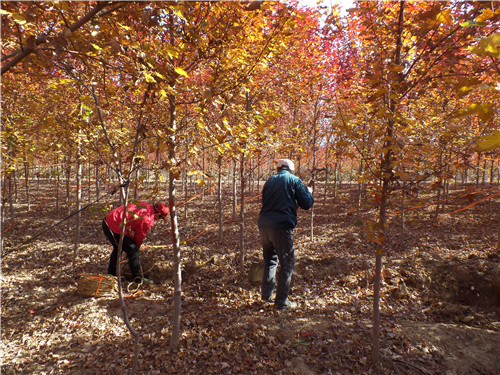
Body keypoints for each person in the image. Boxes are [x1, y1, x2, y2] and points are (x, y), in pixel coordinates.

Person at [258, 159, 314, 309]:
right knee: (287, 264)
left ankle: (266, 295)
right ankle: (282, 302)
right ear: (291, 169)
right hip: (281, 227)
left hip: (264, 225)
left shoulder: (269, 181)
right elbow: (306, 204)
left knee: (270, 260)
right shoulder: (295, 180)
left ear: (277, 169)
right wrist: (309, 193)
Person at [102, 201, 169, 284]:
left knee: (119, 247)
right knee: (133, 249)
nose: (159, 220)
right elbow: (139, 237)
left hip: (109, 221)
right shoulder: (148, 219)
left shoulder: (144, 205)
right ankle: (138, 278)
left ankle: (111, 275)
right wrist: (134, 253)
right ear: (158, 214)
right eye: (161, 218)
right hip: (113, 226)